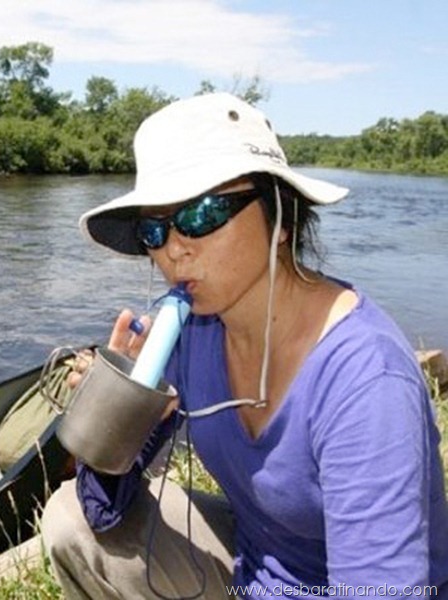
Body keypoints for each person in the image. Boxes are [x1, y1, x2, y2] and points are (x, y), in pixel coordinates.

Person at [41, 92, 448, 599]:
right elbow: (103, 510)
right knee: (68, 521)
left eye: (201, 214)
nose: (173, 247)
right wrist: (121, 413)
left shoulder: (365, 379)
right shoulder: (192, 334)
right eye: (154, 228)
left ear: (279, 219)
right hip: (252, 566)